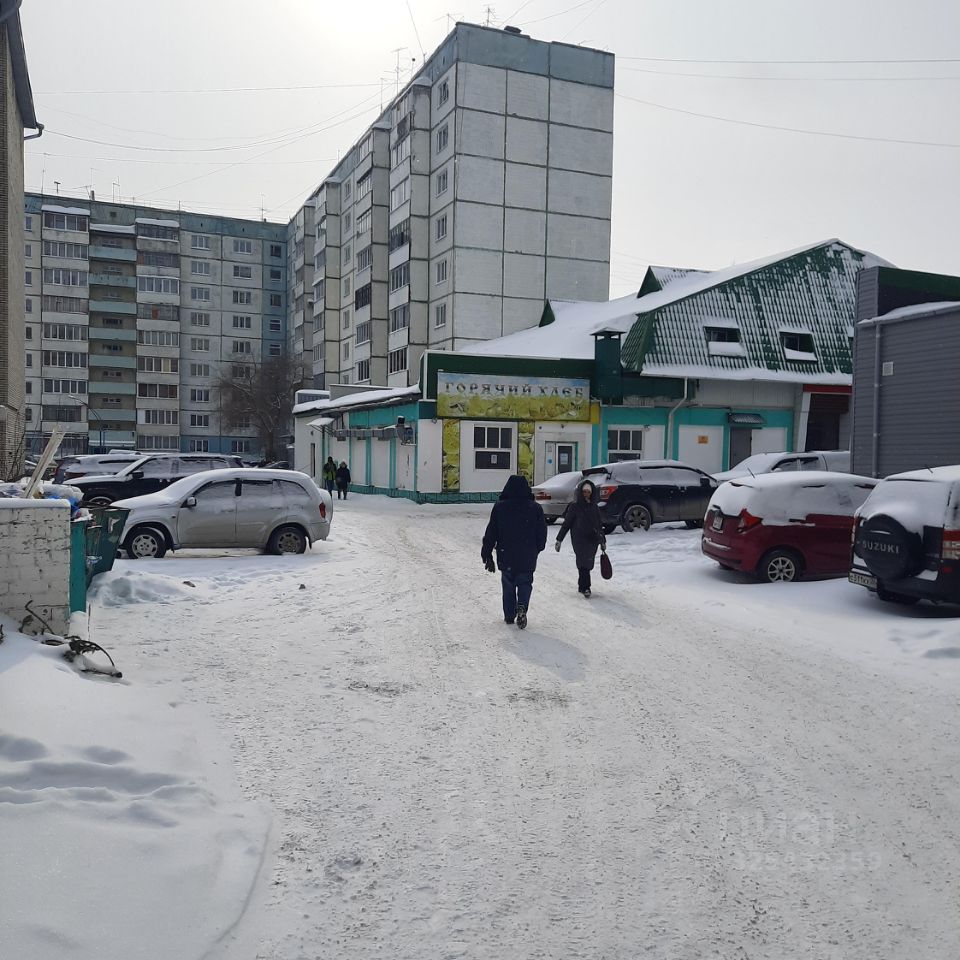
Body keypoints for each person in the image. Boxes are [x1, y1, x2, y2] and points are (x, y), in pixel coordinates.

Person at [481, 474, 548, 630]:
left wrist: (487, 553)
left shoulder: (500, 507)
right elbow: (542, 532)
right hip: (527, 554)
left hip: (506, 553)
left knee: (508, 584)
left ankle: (509, 615)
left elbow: (491, 532)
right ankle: (522, 605)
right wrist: (538, 548)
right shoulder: (535, 508)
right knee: (525, 582)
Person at [555, 478, 606, 598]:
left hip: (592, 539)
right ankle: (586, 587)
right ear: (580, 492)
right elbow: (567, 524)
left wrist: (602, 541)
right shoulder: (574, 507)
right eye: (584, 492)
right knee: (583, 561)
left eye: (588, 492)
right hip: (579, 539)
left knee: (588, 562)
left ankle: (582, 585)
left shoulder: (594, 507)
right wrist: (559, 539)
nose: (586, 494)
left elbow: (599, 525)